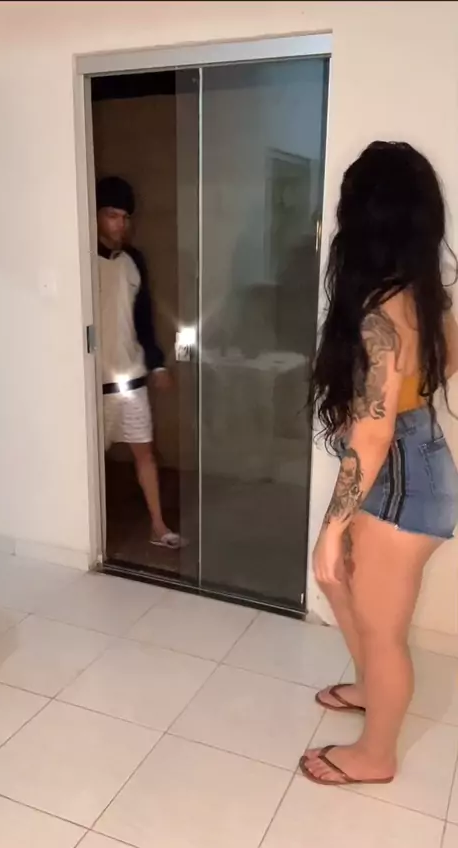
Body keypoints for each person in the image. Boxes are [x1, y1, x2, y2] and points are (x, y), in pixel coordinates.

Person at [301, 141, 458, 786]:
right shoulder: (426, 297)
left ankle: (376, 755)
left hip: (399, 481)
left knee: (382, 626)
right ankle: (371, 688)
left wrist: (331, 529)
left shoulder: (379, 317)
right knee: (344, 585)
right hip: (413, 466)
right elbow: (441, 367)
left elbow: (371, 439)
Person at [96, 175, 184, 549]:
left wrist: (157, 364)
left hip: (130, 377)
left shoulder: (133, 261)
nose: (121, 224)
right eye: (112, 215)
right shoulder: (79, 260)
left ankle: (158, 526)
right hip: (90, 381)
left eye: (125, 217)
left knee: (145, 453)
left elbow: (143, 319)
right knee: (87, 458)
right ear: (96, 215)